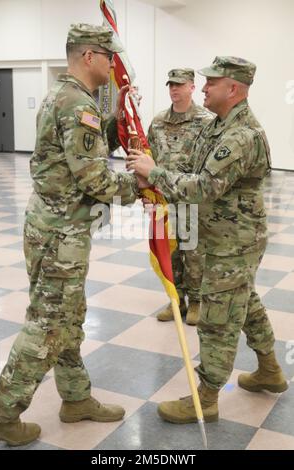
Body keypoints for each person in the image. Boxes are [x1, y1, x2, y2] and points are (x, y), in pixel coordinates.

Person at [0, 23, 139, 446]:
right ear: (90, 56)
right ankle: (3, 412)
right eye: (110, 57)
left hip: (51, 227)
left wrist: (115, 122)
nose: (114, 65)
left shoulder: (68, 97)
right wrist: (142, 186)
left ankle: (76, 399)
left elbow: (82, 150)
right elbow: (95, 178)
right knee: (48, 324)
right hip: (61, 234)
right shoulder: (77, 104)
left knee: (68, 316)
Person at [127, 56, 288, 424]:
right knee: (244, 299)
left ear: (233, 88)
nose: (203, 87)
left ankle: (207, 398)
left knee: (217, 318)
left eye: (211, 82)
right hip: (223, 235)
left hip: (233, 241)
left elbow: (203, 187)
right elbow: (190, 171)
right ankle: (269, 369)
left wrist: (154, 173)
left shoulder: (240, 136)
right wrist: (153, 177)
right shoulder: (218, 126)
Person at [148, 68, 212, 325]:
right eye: (171, 85)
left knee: (193, 250)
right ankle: (177, 299)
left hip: (192, 198)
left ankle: (196, 301)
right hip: (164, 199)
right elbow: (149, 156)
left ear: (191, 87)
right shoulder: (159, 120)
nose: (174, 89)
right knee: (169, 250)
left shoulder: (206, 120)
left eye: (180, 85)